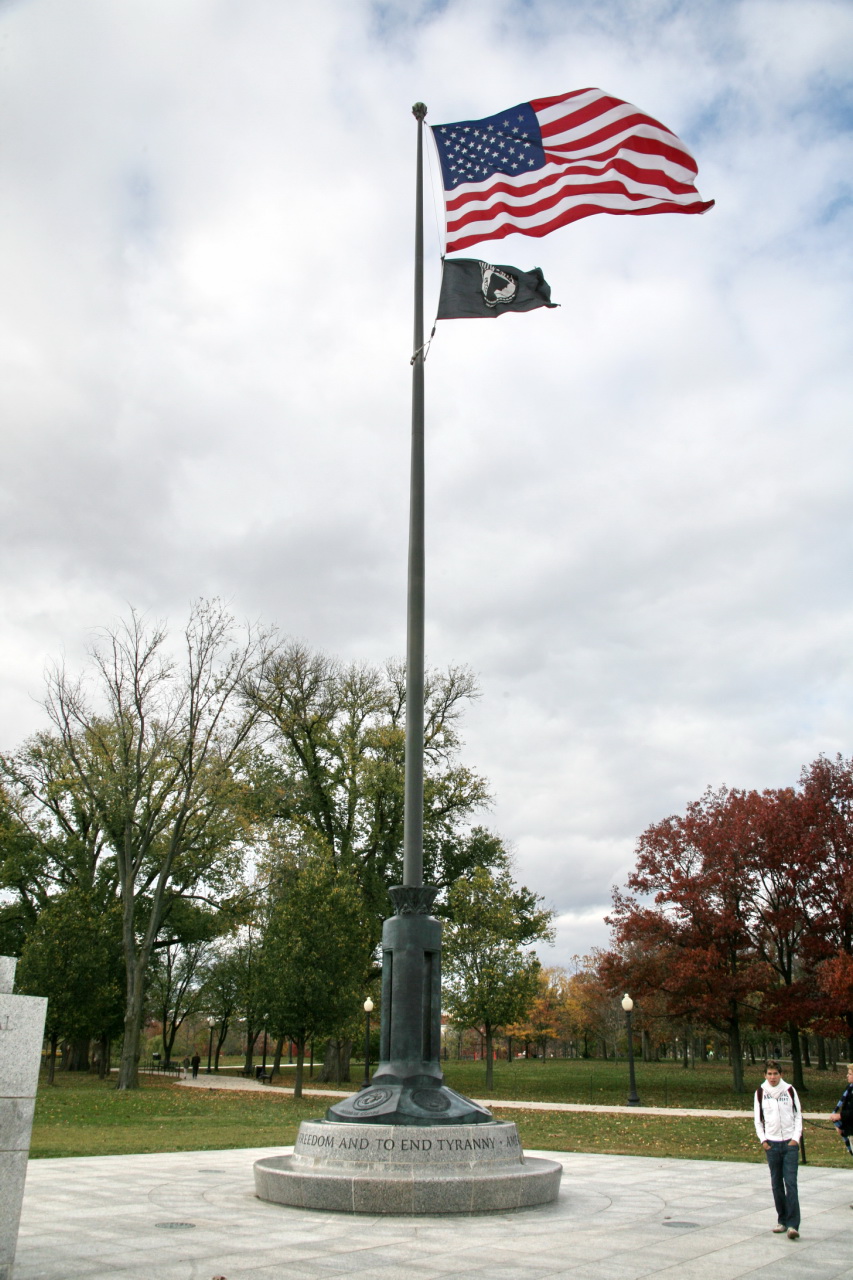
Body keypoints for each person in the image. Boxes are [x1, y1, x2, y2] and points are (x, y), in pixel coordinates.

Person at [753, 1059, 802, 1239]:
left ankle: (793, 1224)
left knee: (791, 1183)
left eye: (775, 1074)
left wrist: (795, 1139)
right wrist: (764, 1141)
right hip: (772, 1145)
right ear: (765, 1075)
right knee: (776, 1184)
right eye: (769, 1074)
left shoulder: (789, 1090)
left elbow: (798, 1116)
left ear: (781, 1074)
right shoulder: (760, 1093)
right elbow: (758, 1120)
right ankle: (782, 1220)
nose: (773, 1077)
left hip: (789, 1143)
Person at [829, 1061, 853, 1171]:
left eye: (850, 1073)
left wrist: (840, 1116)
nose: (847, 1075)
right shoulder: (849, 1089)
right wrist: (841, 1126)